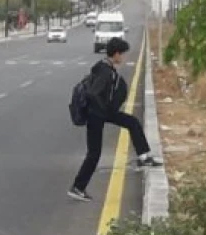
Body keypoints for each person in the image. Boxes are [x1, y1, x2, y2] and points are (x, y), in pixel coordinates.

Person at [69, 37, 162, 202]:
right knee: (94, 153)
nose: (123, 57)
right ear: (116, 53)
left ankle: (144, 156)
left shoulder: (105, 68)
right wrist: (103, 109)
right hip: (96, 115)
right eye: (122, 54)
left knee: (132, 122)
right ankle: (78, 187)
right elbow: (93, 93)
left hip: (101, 113)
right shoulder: (105, 71)